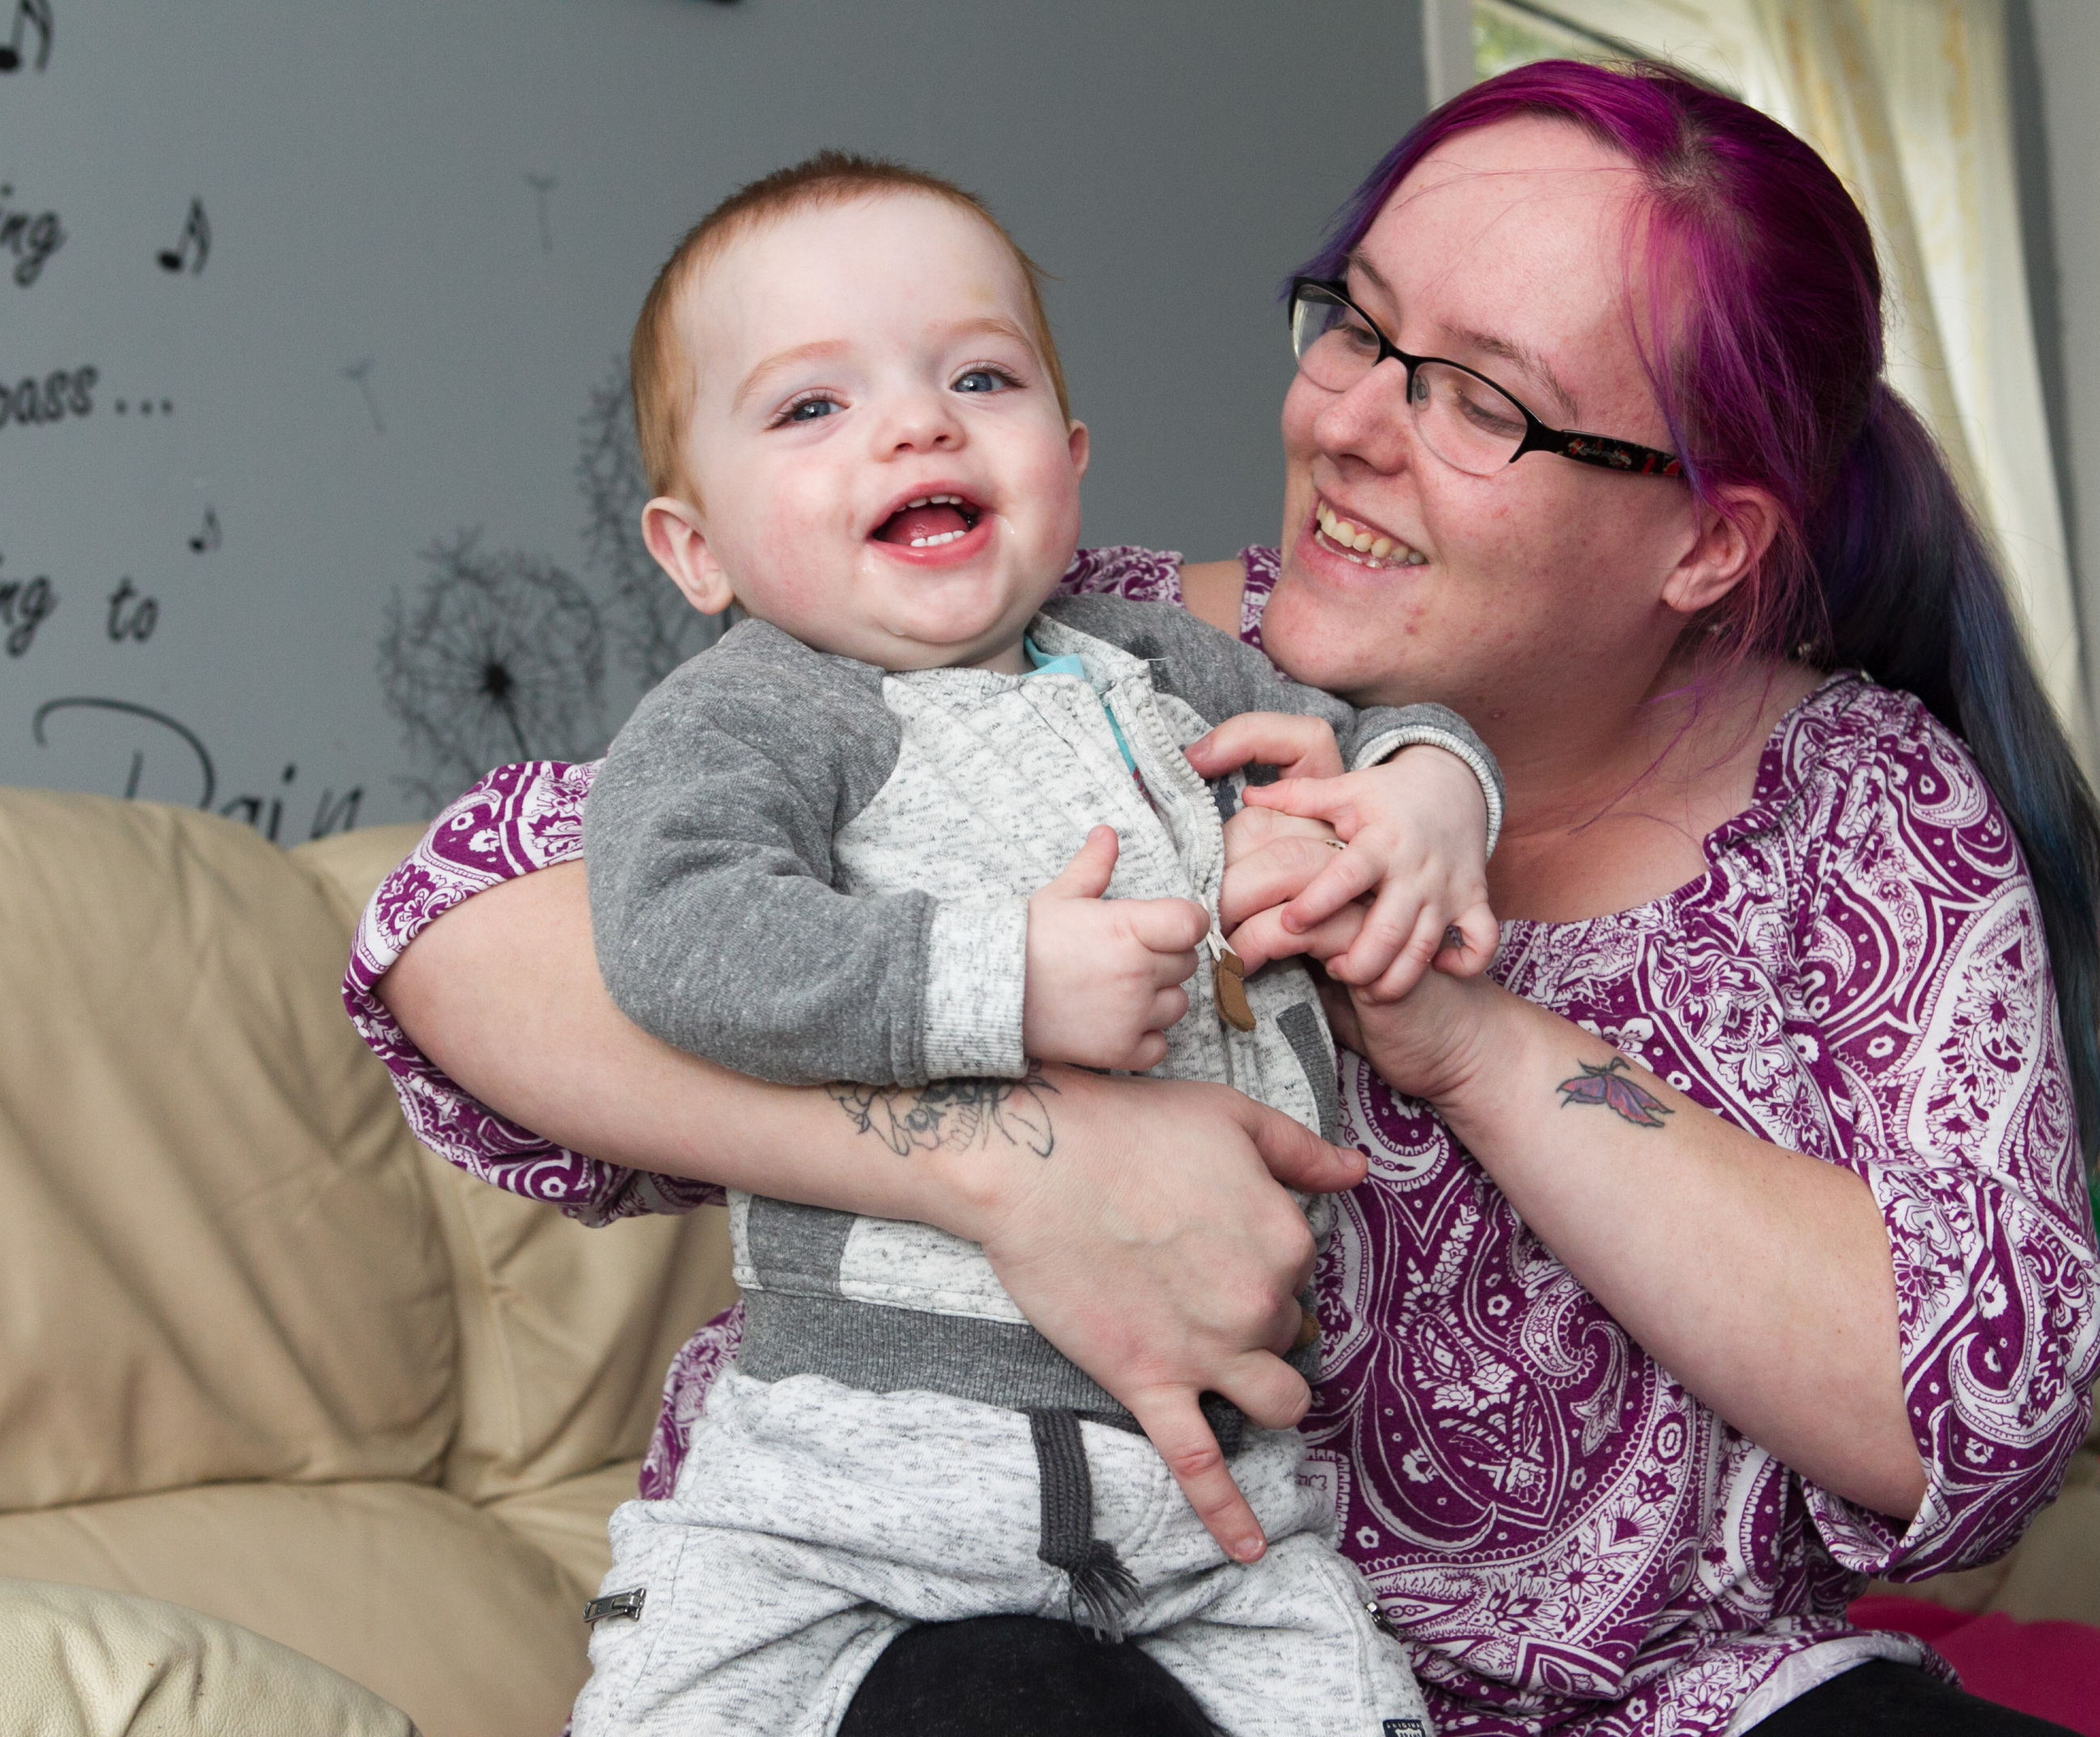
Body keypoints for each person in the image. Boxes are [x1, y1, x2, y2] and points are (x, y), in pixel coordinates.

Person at [346, 60, 2100, 1737]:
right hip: (1095, 1617)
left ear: (1706, 543)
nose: (1346, 421)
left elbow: (1975, 1406)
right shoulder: (1074, 659)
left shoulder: (1862, 810)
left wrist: (1470, 1038)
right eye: (1357, 321)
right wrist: (1028, 1165)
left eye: (1482, 398)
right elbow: (466, 930)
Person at [569, 150, 1505, 1736]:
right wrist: (1000, 976)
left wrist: (1429, 794)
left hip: (1217, 1513)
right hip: (847, 1503)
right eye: (811, 407)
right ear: (696, 550)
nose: (917, 425)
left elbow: (1369, 731)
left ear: (1067, 465)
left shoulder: (1168, 667)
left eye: (978, 377)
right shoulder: (755, 718)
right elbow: (681, 934)